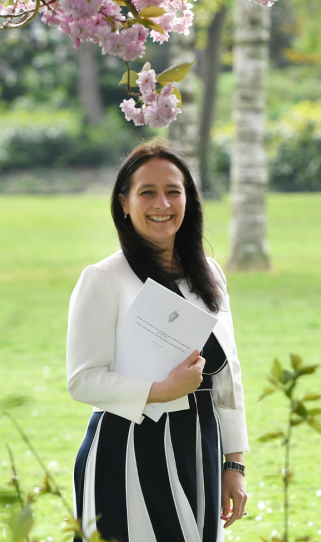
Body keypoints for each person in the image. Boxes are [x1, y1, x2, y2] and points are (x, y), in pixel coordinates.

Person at [67, 141, 249, 541]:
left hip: (200, 444)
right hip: (129, 449)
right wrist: (159, 391)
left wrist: (233, 463)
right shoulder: (102, 278)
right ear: (124, 203)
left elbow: (227, 373)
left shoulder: (210, 273)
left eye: (173, 191)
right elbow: (82, 380)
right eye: (146, 191)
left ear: (189, 199)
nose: (161, 203)